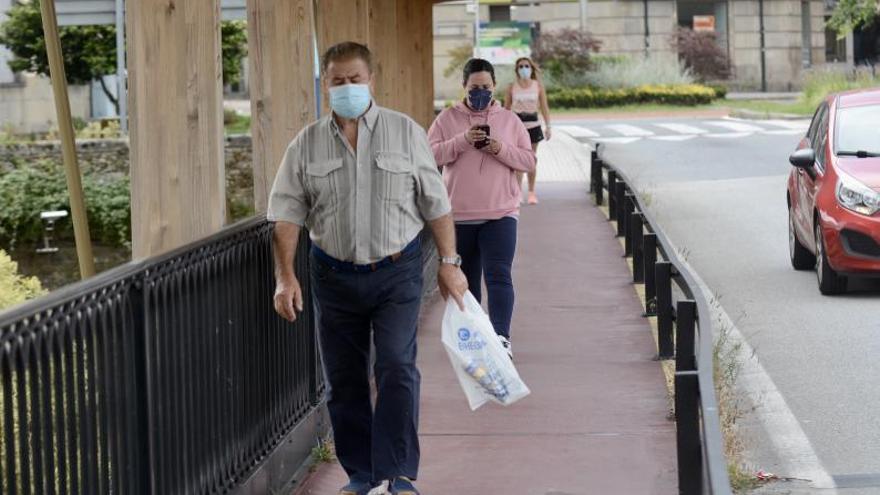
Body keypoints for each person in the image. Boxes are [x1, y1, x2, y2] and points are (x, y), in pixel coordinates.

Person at [268, 42, 467, 495]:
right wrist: (285, 276)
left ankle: (397, 473)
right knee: (343, 378)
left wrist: (450, 263)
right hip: (332, 274)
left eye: (355, 79)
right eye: (338, 81)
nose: (347, 88)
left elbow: (436, 203)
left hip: (397, 271)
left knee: (397, 365)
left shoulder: (406, 132)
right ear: (326, 86)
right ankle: (361, 474)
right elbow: (286, 213)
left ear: (371, 80)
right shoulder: (306, 144)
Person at [427, 58, 536, 360]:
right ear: (464, 86)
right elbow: (428, 153)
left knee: (499, 275)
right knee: (468, 280)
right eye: (475, 88)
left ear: (494, 87)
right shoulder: (447, 118)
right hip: (459, 217)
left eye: (486, 87)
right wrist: (461, 141)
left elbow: (528, 161)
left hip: (501, 213)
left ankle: (501, 337)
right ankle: (477, 338)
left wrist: (497, 148)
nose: (481, 93)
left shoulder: (510, 120)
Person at [503, 57, 552, 205]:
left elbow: (544, 107)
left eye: (526, 66)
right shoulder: (512, 87)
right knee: (518, 160)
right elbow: (506, 109)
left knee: (531, 160)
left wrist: (548, 127)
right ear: (517, 70)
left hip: (533, 126)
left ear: (531, 68)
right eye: (521, 66)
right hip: (517, 127)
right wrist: (503, 129)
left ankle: (531, 192)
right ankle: (517, 193)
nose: (524, 69)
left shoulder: (538, 86)